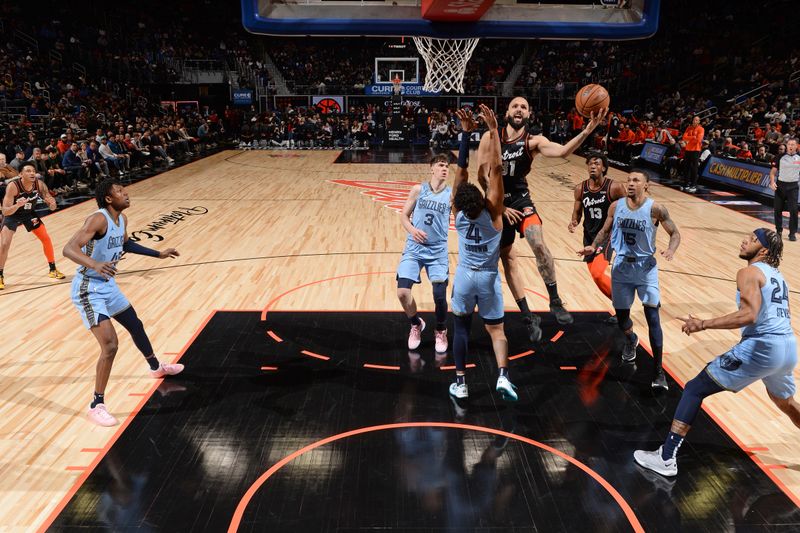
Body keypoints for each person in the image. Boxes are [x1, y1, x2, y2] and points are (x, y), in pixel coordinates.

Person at [634, 228, 798, 477]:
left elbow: (749, 314)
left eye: (753, 240)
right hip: (787, 347)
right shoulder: (777, 276)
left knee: (694, 388)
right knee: (786, 403)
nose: (744, 240)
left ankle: (666, 458)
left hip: (762, 347)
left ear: (763, 251)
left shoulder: (748, 272)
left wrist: (703, 324)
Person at [479, 97, 607, 341]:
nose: (519, 109)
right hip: (498, 204)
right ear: (506, 111)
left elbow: (562, 151)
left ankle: (555, 300)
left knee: (537, 242)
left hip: (521, 200)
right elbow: (482, 177)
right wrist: (500, 205)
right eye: (515, 106)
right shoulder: (490, 137)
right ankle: (528, 316)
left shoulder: (533, 141)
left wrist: (588, 130)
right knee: (507, 260)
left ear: (529, 114)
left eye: (524, 107)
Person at [62, 179, 184, 426]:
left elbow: (126, 244)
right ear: (108, 198)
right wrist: (95, 263)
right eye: (119, 191)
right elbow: (68, 248)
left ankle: (155, 367)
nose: (125, 193)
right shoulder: (98, 219)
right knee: (110, 346)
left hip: (107, 285)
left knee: (135, 325)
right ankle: (96, 405)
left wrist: (157, 253)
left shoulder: (122, 220)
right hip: (88, 288)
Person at [578, 170, 681, 390]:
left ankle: (658, 371)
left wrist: (671, 250)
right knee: (623, 319)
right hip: (622, 267)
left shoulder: (655, 209)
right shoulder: (616, 207)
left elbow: (675, 233)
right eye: (629, 180)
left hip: (645, 269)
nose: (630, 184)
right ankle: (631, 339)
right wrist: (594, 246)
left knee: (653, 317)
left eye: (636, 180)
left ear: (646, 185)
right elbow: (604, 231)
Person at [448, 104, 517, 402]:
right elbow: (498, 169)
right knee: (497, 331)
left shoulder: (458, 215)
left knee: (461, 330)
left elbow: (461, 171)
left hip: (464, 277)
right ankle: (503, 376)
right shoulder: (495, 215)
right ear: (482, 197)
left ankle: (461, 383)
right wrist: (493, 132)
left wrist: (465, 135)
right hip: (489, 279)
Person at [397, 153, 452, 352]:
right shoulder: (418, 189)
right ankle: (415, 324)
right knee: (403, 293)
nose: (444, 168)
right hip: (414, 248)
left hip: (437, 251)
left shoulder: (451, 195)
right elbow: (403, 215)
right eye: (440, 165)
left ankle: (441, 330)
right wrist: (412, 230)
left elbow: (461, 221)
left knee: (439, 295)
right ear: (432, 168)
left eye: (447, 166)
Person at [568, 154, 626, 314]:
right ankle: (621, 306)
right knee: (596, 278)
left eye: (597, 164)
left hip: (608, 235)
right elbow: (577, 212)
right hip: (589, 235)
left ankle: (622, 305)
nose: (593, 166)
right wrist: (574, 222)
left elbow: (628, 207)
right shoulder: (580, 188)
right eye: (590, 164)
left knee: (598, 273)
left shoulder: (615, 187)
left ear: (604, 168)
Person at [0, 162, 64, 290]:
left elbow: (51, 202)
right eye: (28, 171)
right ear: (20, 174)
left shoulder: (39, 184)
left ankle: (52, 269)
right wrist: (17, 205)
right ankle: (0, 275)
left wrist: (52, 204)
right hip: (13, 214)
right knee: (4, 244)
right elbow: (5, 211)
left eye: (33, 170)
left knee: (46, 238)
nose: (32, 173)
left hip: (28, 213)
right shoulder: (13, 186)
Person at [769, 138, 799, 242]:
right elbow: (772, 172)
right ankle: (778, 231)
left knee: (794, 210)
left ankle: (792, 233)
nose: (791, 146)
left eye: (793, 144)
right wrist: (772, 182)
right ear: (786, 146)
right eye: (789, 144)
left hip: (793, 187)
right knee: (777, 210)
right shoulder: (779, 157)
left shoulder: (799, 158)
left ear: (796, 146)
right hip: (781, 186)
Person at [680, 115, 704, 193]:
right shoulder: (688, 127)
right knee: (686, 167)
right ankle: (686, 184)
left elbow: (699, 140)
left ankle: (693, 185)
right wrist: (693, 137)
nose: (695, 121)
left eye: (697, 120)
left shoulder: (701, 129)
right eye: (694, 119)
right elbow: (684, 137)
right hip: (688, 150)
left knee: (694, 168)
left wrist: (689, 139)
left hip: (696, 150)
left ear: (699, 121)